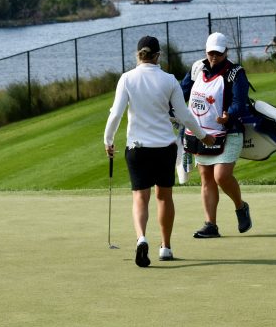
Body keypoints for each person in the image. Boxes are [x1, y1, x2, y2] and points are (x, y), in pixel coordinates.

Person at [104, 36, 214, 267]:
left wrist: (108, 140)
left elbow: (116, 114)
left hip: (137, 149)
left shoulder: (127, 78)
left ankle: (141, 238)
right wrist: (203, 136)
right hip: (164, 148)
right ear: (157, 56)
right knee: (164, 197)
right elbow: (184, 116)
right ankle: (165, 247)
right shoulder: (169, 80)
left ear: (138, 55)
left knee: (140, 197)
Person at [181, 32, 253, 238]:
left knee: (221, 176)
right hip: (201, 134)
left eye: (218, 54)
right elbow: (181, 92)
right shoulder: (197, 68)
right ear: (206, 51)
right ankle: (210, 224)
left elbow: (241, 102)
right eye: (211, 53)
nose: (214, 57)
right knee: (206, 178)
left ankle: (240, 206)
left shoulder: (235, 73)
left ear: (225, 52)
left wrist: (228, 115)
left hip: (229, 132)